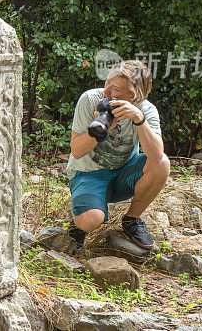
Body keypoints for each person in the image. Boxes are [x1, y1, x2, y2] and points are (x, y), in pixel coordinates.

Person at [66, 60, 169, 250]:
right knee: (91, 219)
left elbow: (156, 157)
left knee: (162, 163)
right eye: (107, 83)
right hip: (87, 173)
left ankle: (132, 220)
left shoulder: (146, 110)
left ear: (133, 95)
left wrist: (139, 120)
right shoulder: (90, 99)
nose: (105, 92)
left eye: (115, 89)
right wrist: (100, 128)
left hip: (123, 174)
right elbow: (77, 151)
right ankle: (80, 216)